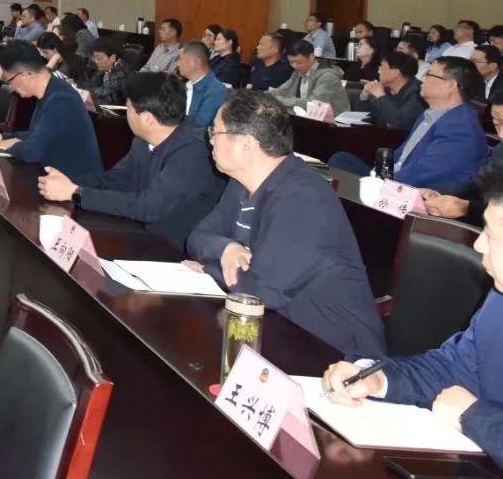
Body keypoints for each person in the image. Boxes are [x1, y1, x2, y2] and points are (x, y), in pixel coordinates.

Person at [321, 162, 503, 467]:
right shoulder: (498, 300)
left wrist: (474, 416)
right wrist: (377, 378)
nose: (478, 243)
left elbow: (469, 409)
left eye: (493, 235)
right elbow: (451, 368)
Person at [186, 90, 386, 358]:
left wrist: (208, 269)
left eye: (215, 132)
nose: (210, 139)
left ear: (245, 144)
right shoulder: (241, 183)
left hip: (336, 354)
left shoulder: (303, 197)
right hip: (279, 329)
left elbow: (262, 291)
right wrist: (226, 249)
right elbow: (198, 236)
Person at [39, 72, 225, 251]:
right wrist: (67, 181)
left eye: (128, 108)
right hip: (142, 234)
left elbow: (149, 207)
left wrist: (76, 194)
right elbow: (115, 180)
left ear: (147, 119)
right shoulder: (144, 141)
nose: (126, 114)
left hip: (175, 251)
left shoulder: (195, 151)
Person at [347, 56, 490, 190]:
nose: (422, 79)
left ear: (450, 85)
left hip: (412, 192)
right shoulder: (430, 114)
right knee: (342, 160)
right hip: (394, 179)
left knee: (341, 171)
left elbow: (424, 173)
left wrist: (380, 183)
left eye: (429, 74)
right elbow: (401, 155)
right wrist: (378, 173)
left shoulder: (460, 126)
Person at [0, 41, 103, 182]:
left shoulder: (62, 99)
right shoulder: (51, 91)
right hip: (55, 177)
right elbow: (36, 134)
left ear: (25, 74)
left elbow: (32, 151)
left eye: (10, 80)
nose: (11, 86)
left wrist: (3, 145)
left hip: (77, 186)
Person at [424, 106, 503, 225]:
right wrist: (440, 195)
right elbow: (478, 187)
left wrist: (466, 208)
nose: (501, 134)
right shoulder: (500, 151)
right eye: (497, 123)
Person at [269, 38, 350, 116]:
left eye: (299, 62)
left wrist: (278, 99)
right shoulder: (297, 73)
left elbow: (312, 104)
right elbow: (282, 91)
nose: (295, 66)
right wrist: (266, 96)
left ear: (311, 57)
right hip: (308, 118)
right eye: (291, 62)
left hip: (333, 121)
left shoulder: (328, 77)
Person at [359, 50, 425, 131]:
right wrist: (365, 95)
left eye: (382, 68)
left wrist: (381, 96)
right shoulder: (387, 89)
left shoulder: (417, 92)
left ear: (395, 73)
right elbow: (367, 116)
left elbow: (400, 123)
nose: (378, 71)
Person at [178, 41, 228, 128]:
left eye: (180, 59)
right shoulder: (184, 86)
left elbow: (199, 127)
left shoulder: (216, 91)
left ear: (195, 62)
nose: (177, 64)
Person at [84, 40, 134, 105]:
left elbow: (103, 92)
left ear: (113, 57)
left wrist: (83, 90)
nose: (96, 61)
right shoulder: (116, 64)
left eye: (99, 58)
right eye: (94, 58)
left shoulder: (118, 74)